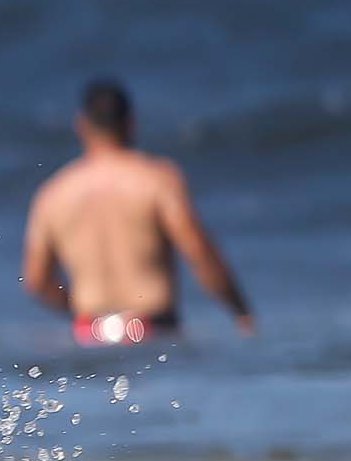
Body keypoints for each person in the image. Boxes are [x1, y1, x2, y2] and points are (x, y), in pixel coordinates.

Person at [22, 79, 253, 344]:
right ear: (130, 122)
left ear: (81, 125)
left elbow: (36, 281)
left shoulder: (53, 193)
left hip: (88, 333)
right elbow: (199, 252)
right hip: (151, 331)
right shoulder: (156, 180)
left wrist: (81, 310)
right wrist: (240, 311)